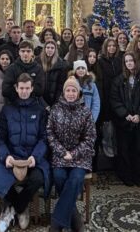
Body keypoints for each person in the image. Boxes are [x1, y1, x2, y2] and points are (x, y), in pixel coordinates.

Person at [0, 74, 50, 232]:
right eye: (21, 88)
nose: (24, 91)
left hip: (32, 157)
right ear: (16, 88)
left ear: (31, 89)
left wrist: (35, 157)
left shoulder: (40, 110)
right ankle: (12, 209)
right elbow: (0, 139)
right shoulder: (7, 110)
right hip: (12, 156)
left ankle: (18, 207)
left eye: (27, 88)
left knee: (38, 178)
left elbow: (44, 138)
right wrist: (6, 156)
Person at [47, 77, 96, 232]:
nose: (70, 93)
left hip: (80, 158)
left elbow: (90, 139)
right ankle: (76, 221)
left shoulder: (85, 112)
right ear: (63, 92)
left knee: (75, 179)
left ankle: (56, 224)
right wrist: (63, 152)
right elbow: (49, 133)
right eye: (68, 90)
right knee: (60, 177)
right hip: (60, 156)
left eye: (73, 90)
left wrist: (73, 154)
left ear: (79, 92)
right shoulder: (55, 109)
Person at [110, 52, 140, 186]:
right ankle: (125, 175)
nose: (129, 63)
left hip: (138, 121)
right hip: (124, 121)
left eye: (131, 60)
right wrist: (125, 114)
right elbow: (115, 100)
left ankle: (137, 176)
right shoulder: (118, 80)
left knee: (137, 149)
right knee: (124, 150)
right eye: (126, 61)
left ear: (136, 62)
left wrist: (139, 115)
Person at [97, 38, 123, 158]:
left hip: (118, 93)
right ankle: (106, 143)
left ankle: (116, 144)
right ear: (105, 47)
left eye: (114, 46)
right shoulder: (101, 61)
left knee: (116, 119)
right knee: (107, 121)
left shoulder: (119, 60)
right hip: (106, 94)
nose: (111, 48)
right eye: (109, 46)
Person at [37, 40, 68, 106]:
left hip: (54, 99)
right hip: (40, 99)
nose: (50, 50)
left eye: (52, 48)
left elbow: (60, 85)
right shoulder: (37, 62)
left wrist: (56, 101)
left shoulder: (60, 64)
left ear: (55, 50)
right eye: (48, 47)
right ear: (44, 49)